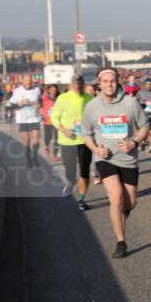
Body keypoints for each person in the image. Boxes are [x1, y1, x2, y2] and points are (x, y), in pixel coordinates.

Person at [81, 68, 149, 258]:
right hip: (105, 158)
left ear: (117, 82)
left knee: (130, 202)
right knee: (116, 197)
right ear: (99, 83)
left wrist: (133, 142)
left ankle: (123, 212)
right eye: (105, 81)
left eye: (112, 81)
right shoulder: (92, 107)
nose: (109, 84)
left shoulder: (130, 103)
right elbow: (86, 133)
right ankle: (121, 242)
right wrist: (96, 150)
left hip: (128, 158)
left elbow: (144, 126)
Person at [51, 75, 93, 210]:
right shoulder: (63, 98)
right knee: (70, 171)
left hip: (85, 139)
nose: (78, 86)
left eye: (80, 83)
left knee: (84, 171)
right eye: (75, 83)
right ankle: (71, 181)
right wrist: (63, 130)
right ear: (71, 85)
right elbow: (54, 117)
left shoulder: (89, 99)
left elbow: (96, 118)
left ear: (84, 84)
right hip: (67, 140)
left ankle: (81, 200)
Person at [7, 74, 43, 168]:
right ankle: (28, 161)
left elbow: (40, 101)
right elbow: (11, 105)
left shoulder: (37, 90)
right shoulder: (17, 91)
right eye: (26, 80)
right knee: (26, 142)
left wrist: (38, 105)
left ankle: (34, 157)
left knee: (36, 141)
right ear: (22, 81)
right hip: (23, 119)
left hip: (35, 118)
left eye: (30, 80)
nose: (28, 82)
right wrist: (21, 104)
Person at [40, 83, 61, 160]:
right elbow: (40, 107)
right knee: (48, 137)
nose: (53, 91)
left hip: (57, 121)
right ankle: (46, 146)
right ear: (49, 90)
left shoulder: (59, 98)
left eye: (55, 90)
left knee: (57, 138)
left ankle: (55, 154)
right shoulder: (44, 97)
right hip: (47, 120)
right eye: (52, 90)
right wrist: (42, 115)